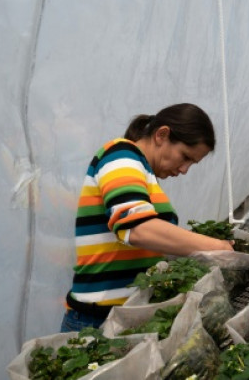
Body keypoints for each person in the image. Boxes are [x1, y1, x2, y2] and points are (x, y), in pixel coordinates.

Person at [61, 103, 234, 332]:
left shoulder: (143, 172)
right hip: (96, 321)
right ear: (162, 135)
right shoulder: (120, 155)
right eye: (185, 157)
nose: (184, 170)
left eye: (192, 163)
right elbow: (138, 227)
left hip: (123, 317)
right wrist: (219, 247)